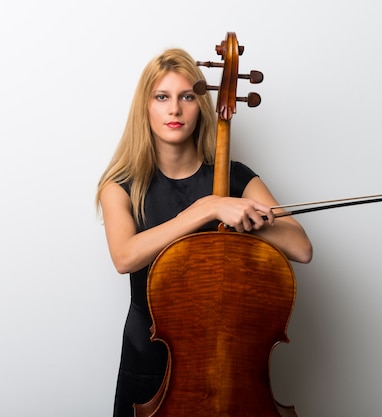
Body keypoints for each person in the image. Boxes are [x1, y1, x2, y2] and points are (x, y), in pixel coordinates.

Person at [95, 47, 313, 417]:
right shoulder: (121, 186)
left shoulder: (238, 178)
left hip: (230, 359)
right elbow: (125, 256)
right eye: (162, 97)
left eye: (187, 97)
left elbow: (302, 248)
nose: (174, 109)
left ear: (202, 106)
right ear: (145, 107)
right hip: (152, 357)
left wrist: (254, 222)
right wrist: (209, 207)